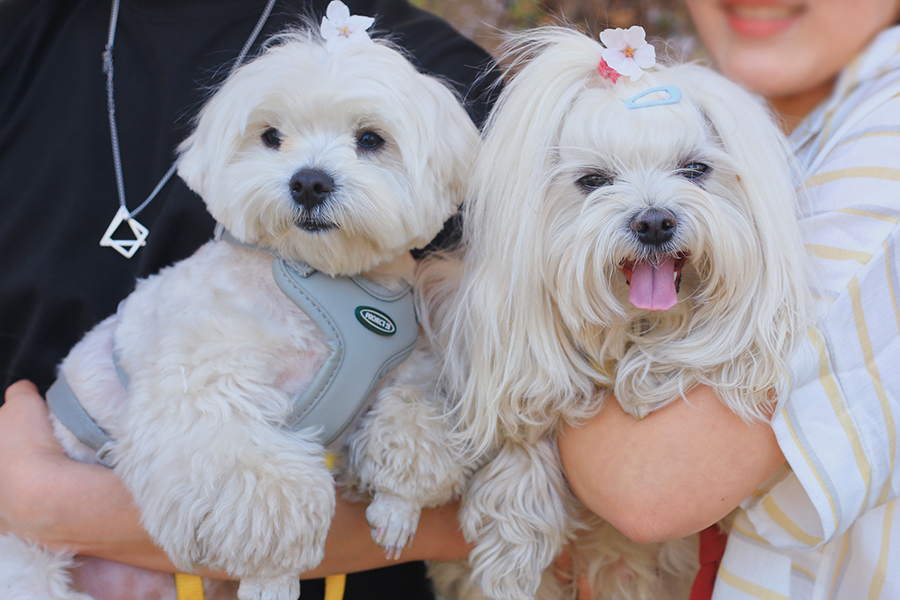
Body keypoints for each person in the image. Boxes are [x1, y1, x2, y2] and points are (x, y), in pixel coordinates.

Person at [0, 0, 496, 597]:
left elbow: (527, 491)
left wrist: (48, 501)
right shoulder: (20, 35)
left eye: (367, 139)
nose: (311, 174)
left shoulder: (449, 66)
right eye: (274, 137)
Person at [558, 0, 900, 598]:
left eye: (693, 170)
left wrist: (529, 339)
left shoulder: (887, 131)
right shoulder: (810, 119)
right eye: (593, 182)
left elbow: (651, 486)